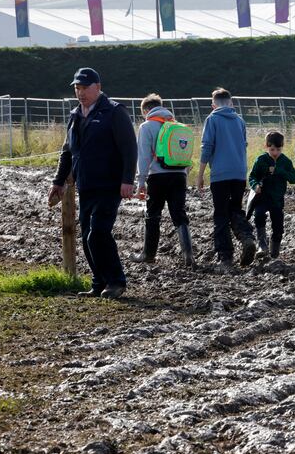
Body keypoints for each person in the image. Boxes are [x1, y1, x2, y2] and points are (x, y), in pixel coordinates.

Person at [48, 67, 137, 299]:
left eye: (85, 87)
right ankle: (99, 283)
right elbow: (67, 152)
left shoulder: (114, 112)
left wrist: (128, 179)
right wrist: (58, 181)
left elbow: (129, 149)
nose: (81, 92)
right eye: (77, 88)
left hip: (110, 184)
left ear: (98, 86)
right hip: (86, 184)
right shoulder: (75, 115)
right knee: (87, 233)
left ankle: (116, 281)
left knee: (97, 232)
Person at [131, 93, 194, 267]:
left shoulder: (147, 126)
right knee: (179, 214)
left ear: (146, 110)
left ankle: (148, 254)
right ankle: (188, 255)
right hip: (179, 176)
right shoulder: (177, 126)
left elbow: (143, 156)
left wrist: (141, 181)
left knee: (153, 215)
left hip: (157, 177)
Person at [197, 88, 256, 268]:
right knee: (235, 210)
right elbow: (243, 144)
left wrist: (200, 174)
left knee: (221, 214)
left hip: (220, 175)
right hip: (239, 173)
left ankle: (225, 257)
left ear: (213, 104)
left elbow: (207, 147)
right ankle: (247, 237)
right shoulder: (239, 120)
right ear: (231, 103)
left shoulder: (212, 119)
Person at [248, 131, 295, 259]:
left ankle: (274, 250)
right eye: (272, 149)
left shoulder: (285, 161)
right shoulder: (261, 160)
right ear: (266, 147)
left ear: (282, 147)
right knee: (258, 215)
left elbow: (294, 178)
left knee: (278, 226)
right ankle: (262, 246)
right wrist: (255, 185)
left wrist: (279, 171)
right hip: (262, 197)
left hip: (277, 199)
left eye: (278, 149)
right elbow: (252, 176)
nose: (275, 153)